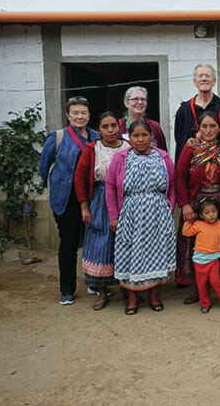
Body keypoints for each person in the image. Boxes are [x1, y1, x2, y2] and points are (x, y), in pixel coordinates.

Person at [105, 119, 176, 315]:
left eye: (144, 135)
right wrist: (114, 216)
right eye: (135, 135)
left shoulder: (162, 157)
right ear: (129, 137)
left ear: (151, 137)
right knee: (130, 254)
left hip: (157, 214)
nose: (140, 139)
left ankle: (154, 296)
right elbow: (110, 186)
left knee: (157, 253)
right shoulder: (121, 158)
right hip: (131, 214)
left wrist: (168, 207)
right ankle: (132, 298)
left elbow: (172, 183)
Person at [39, 96, 100, 306]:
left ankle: (94, 281)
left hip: (92, 197)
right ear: (68, 115)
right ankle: (67, 289)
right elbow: (43, 166)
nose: (79, 116)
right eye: (75, 113)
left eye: (83, 112)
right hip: (66, 199)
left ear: (89, 115)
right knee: (69, 243)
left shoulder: (96, 137)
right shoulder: (57, 137)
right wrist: (56, 184)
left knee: (93, 242)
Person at [176, 111, 220, 304]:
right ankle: (199, 289)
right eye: (204, 126)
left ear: (219, 128)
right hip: (196, 203)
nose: (209, 130)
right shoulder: (190, 147)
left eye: (213, 126)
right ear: (199, 128)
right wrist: (185, 205)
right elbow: (179, 176)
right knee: (194, 246)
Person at [73, 112, 130, 310]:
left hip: (126, 201)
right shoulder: (92, 149)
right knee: (100, 244)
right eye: (105, 126)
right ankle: (102, 291)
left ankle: (127, 288)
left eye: (114, 125)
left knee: (125, 244)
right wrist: (84, 206)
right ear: (98, 130)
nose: (110, 130)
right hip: (100, 201)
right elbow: (79, 178)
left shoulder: (128, 147)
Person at [182, 198, 220, 313]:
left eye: (214, 211)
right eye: (207, 213)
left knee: (215, 281)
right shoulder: (198, 224)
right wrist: (189, 221)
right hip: (199, 261)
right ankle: (205, 303)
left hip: (214, 260)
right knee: (201, 284)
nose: (211, 215)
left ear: (218, 211)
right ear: (201, 215)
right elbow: (186, 232)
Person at [173, 64, 220, 165]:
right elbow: (180, 143)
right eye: (200, 76)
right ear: (195, 82)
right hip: (193, 166)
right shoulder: (184, 111)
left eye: (207, 76)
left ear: (214, 81)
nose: (204, 79)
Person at [118, 86, 167, 151]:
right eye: (135, 99)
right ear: (126, 103)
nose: (140, 102)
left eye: (143, 99)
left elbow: (163, 152)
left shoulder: (154, 126)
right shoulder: (119, 125)